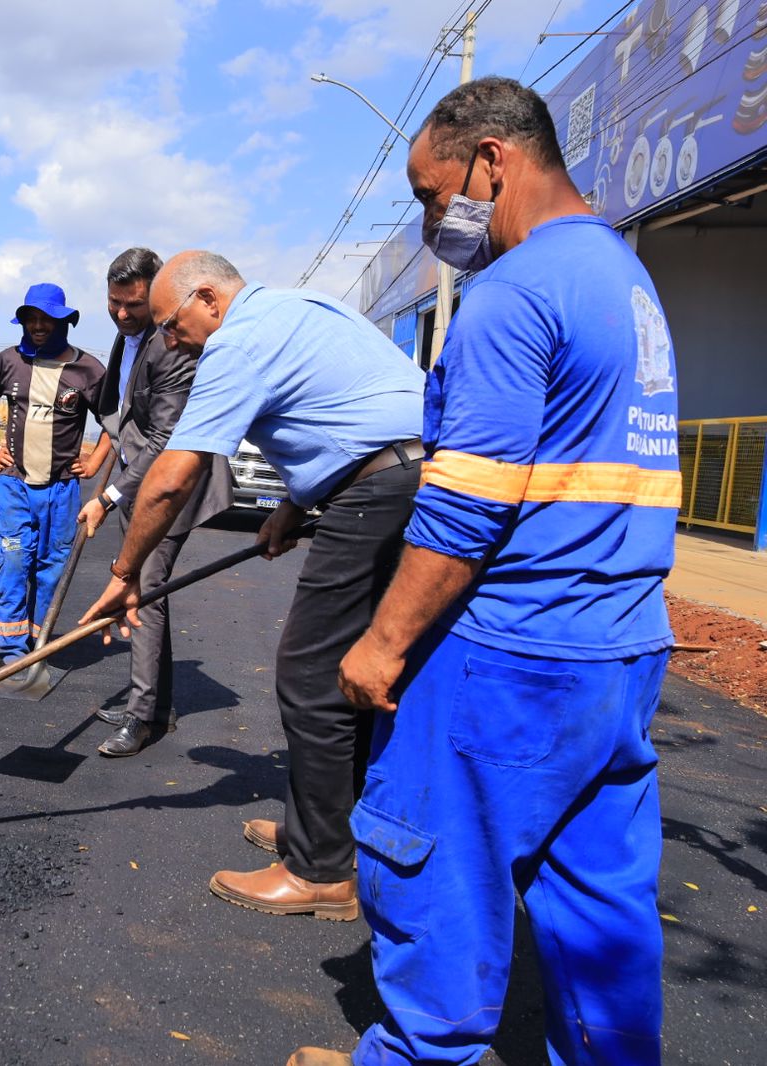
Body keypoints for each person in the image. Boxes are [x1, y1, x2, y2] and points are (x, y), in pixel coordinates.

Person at [290, 77, 681, 1066]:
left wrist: (381, 645)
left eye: (432, 194)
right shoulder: (624, 280)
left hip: (509, 657)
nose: (432, 220)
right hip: (621, 649)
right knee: (599, 911)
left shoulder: (513, 292)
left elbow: (466, 506)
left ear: (492, 161)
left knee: (433, 879)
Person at [77, 251, 424, 920]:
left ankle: (321, 869)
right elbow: (341, 413)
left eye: (172, 326)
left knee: (311, 673)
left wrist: (124, 576)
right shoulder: (302, 309)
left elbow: (175, 475)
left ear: (208, 297)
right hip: (419, 480)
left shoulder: (236, 343)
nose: (169, 341)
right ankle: (325, 832)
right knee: (349, 671)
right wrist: (296, 504)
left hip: (380, 494)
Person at [78, 248, 233, 756]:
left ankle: (142, 717)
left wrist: (110, 494)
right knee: (148, 588)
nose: (122, 314)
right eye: (114, 302)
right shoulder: (130, 337)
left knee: (143, 589)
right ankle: (154, 705)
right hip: (136, 473)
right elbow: (126, 413)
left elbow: (167, 437)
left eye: (134, 306)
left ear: (157, 297)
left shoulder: (173, 345)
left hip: (172, 486)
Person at [0, 283, 109, 666]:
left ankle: (37, 643)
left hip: (62, 490)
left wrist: (95, 462)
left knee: (51, 569)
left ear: (62, 321)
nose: (38, 326)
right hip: (15, 485)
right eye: (32, 318)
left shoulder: (88, 369)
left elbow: (114, 424)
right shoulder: (7, 361)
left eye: (46, 319)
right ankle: (11, 653)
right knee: (14, 561)